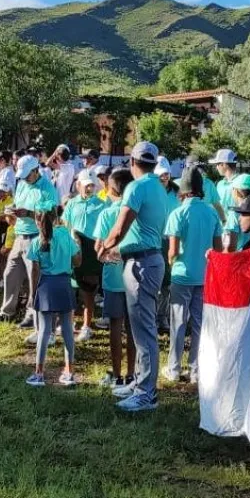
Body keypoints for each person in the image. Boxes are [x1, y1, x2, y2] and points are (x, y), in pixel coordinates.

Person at [98, 142, 169, 412]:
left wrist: (104, 246)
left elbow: (120, 226)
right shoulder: (158, 187)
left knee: (144, 331)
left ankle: (146, 392)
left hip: (141, 264)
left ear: (132, 161)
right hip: (147, 260)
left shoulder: (137, 187)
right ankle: (140, 382)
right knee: (141, 329)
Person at [163, 165, 222, 383]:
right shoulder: (212, 212)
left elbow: (172, 250)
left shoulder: (177, 213)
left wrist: (171, 264)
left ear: (183, 191)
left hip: (182, 274)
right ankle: (196, 369)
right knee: (199, 323)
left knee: (178, 323)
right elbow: (217, 249)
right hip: (205, 275)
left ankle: (174, 368)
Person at [0, 155, 59, 331]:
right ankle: (7, 311)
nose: (25, 178)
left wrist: (27, 213)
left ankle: (31, 314)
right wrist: (11, 209)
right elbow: (17, 203)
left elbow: (52, 214)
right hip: (20, 235)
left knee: (33, 278)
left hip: (36, 236)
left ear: (36, 171)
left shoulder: (47, 188)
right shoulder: (21, 184)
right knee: (10, 273)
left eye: (28, 174)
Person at [24, 200, 81, 387]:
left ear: (37, 220)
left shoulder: (35, 242)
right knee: (67, 330)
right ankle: (69, 371)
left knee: (44, 331)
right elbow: (77, 261)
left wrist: (33, 294)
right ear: (56, 216)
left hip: (46, 286)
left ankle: (39, 372)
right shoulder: (65, 236)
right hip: (64, 284)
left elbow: (34, 271)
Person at [95, 168, 137, 389]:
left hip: (113, 278)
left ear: (111, 189)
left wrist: (104, 252)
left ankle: (117, 374)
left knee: (115, 326)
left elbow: (99, 248)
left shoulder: (107, 213)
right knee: (132, 328)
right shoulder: (138, 210)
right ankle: (131, 374)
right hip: (135, 276)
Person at [62, 170, 107, 343]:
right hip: (74, 249)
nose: (89, 188)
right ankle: (70, 322)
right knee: (71, 289)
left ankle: (87, 326)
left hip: (92, 251)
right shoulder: (72, 203)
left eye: (91, 185)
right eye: (86, 185)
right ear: (78, 185)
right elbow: (66, 224)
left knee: (88, 290)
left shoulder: (102, 204)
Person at [155, 156, 181, 332]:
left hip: (170, 239)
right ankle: (152, 315)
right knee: (153, 281)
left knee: (166, 282)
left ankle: (162, 316)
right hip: (153, 239)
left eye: (166, 175)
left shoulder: (177, 192)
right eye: (160, 175)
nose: (163, 178)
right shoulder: (150, 190)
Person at [208, 149, 240, 249]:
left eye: (218, 164)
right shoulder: (220, 184)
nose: (216, 167)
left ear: (224, 164)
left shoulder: (241, 183)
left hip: (238, 232)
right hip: (222, 231)